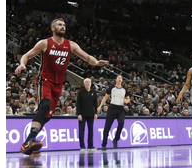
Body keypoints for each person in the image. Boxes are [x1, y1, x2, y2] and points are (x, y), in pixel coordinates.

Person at [15, 18, 109, 155]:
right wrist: (22, 64)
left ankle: (29, 143)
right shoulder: (45, 43)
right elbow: (26, 55)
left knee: (47, 117)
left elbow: (88, 57)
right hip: (45, 80)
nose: (63, 26)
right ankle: (29, 141)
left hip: (59, 85)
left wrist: (96, 62)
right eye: (59, 25)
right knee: (45, 104)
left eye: (64, 25)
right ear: (53, 28)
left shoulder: (70, 45)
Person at [97, 75, 130, 150]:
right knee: (107, 126)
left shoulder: (124, 89)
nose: (119, 79)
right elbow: (105, 97)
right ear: (115, 79)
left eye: (121, 78)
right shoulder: (112, 88)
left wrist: (126, 101)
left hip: (120, 108)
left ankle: (115, 139)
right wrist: (100, 106)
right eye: (118, 78)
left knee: (121, 123)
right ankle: (104, 143)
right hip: (112, 108)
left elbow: (128, 99)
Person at [77, 78, 98, 151]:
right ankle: (82, 146)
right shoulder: (81, 92)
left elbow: (95, 103)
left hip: (91, 114)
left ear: (91, 83)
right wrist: (79, 114)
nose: (88, 83)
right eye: (86, 82)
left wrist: (95, 113)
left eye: (89, 82)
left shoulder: (93, 92)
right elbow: (78, 104)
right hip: (82, 114)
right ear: (84, 83)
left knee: (91, 130)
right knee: (81, 130)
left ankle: (90, 146)